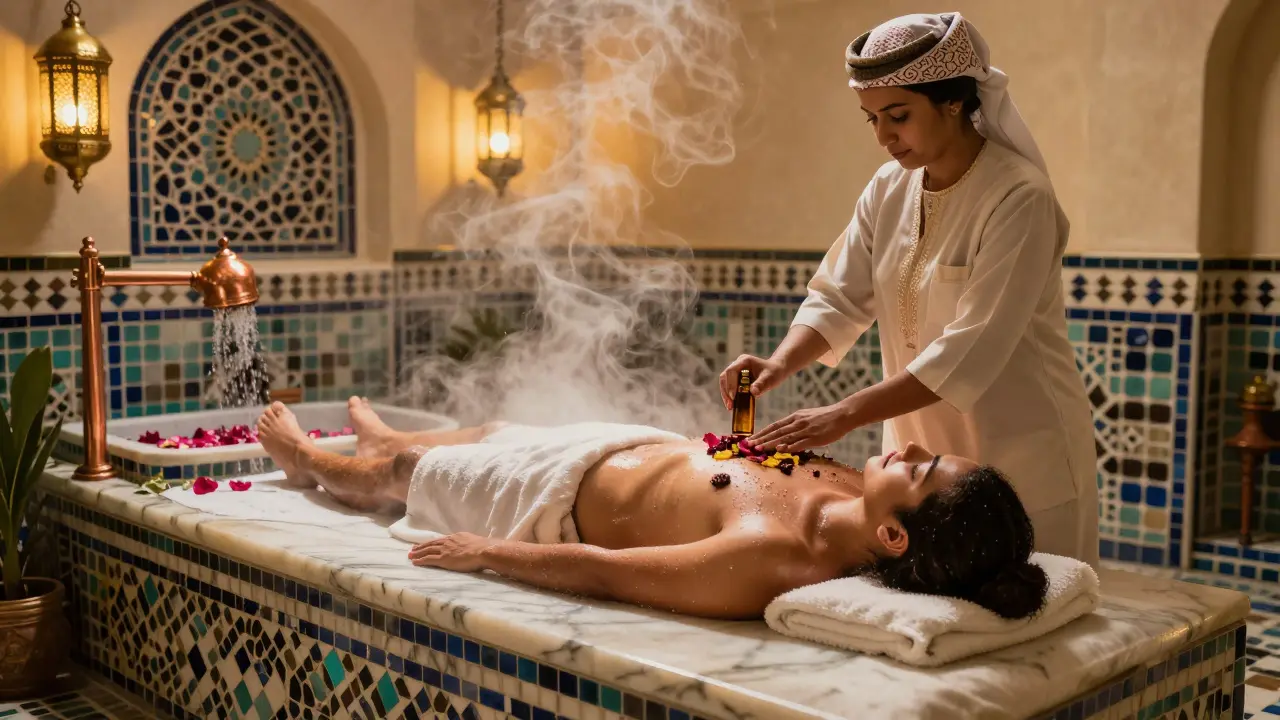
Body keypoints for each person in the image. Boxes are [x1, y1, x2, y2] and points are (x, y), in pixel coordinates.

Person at [719, 13, 1098, 567]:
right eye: (871, 119)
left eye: (898, 115)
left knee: (1032, 615)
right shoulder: (888, 189)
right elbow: (838, 295)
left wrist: (844, 414)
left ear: (953, 101)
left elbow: (971, 349)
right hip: (920, 464)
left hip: (1020, 449)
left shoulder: (1019, 196)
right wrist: (780, 363)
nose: (883, 136)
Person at [255, 398, 1050, 622]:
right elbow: (743, 465)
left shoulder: (774, 557)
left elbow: (609, 574)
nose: (909, 450)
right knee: (502, 425)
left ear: (891, 533)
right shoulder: (849, 487)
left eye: (921, 469)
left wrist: (488, 553)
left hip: (550, 498)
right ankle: (395, 433)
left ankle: (311, 461)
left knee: (404, 470)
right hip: (626, 445)